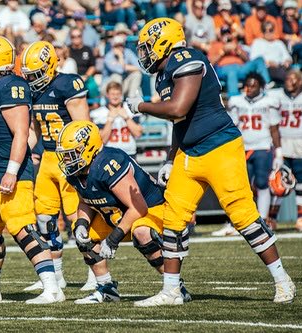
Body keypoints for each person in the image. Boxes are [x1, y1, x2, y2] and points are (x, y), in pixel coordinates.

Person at [126, 17, 295, 306]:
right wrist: (170, 158)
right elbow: (179, 122)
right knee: (173, 219)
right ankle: (171, 291)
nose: (145, 53)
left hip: (220, 146)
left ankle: (282, 280)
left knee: (242, 215)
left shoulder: (187, 57)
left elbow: (179, 108)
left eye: (149, 47)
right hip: (190, 153)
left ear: (165, 42)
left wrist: (141, 106)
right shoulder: (163, 74)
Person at [0, 35, 64, 304]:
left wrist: (11, 171)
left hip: (7, 174)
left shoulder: (11, 85)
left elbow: (21, 133)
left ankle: (52, 287)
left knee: (23, 230)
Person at [56, 121, 191, 304]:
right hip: (119, 216)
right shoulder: (76, 171)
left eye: (72, 154)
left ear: (88, 147)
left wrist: (113, 240)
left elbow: (138, 207)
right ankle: (106, 289)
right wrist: (81, 223)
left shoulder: (109, 162)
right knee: (83, 235)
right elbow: (85, 200)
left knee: (142, 233)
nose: (68, 160)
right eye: (65, 155)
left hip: (151, 210)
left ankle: (176, 287)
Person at [21, 41, 91, 291]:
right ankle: (56, 274)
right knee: (44, 219)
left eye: (37, 74)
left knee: (77, 218)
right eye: (30, 75)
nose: (34, 80)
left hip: (69, 160)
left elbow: (84, 127)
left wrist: (81, 164)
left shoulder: (67, 84)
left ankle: (95, 272)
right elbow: (35, 132)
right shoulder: (34, 91)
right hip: (49, 158)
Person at [213, 73, 282, 236]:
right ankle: (235, 222)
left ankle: (263, 220)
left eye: (253, 86)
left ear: (261, 87)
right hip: (242, 148)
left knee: (262, 183)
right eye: (246, 85)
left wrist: (279, 152)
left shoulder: (269, 102)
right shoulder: (237, 102)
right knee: (239, 186)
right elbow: (233, 125)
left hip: (262, 147)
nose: (248, 89)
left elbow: (274, 128)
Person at [267, 70, 302, 232]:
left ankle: (301, 219)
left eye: (292, 78)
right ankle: (272, 219)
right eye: (287, 78)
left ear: (301, 81)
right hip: (283, 143)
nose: (289, 81)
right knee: (278, 184)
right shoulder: (277, 95)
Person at [208, 26, 271, 97]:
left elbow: (247, 60)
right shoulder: (215, 45)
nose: (226, 36)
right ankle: (234, 98)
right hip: (223, 69)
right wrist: (223, 51)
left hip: (241, 69)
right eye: (224, 34)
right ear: (220, 36)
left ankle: (267, 86)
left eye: (228, 33)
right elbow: (210, 63)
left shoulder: (236, 44)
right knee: (232, 71)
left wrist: (238, 51)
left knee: (259, 59)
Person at [90, 81, 142, 158]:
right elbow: (102, 140)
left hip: (129, 153)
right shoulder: (99, 113)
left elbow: (138, 133)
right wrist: (110, 120)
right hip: (109, 154)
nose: (115, 97)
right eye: (112, 94)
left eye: (118, 94)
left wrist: (127, 118)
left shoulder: (129, 109)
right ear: (107, 95)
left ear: (121, 95)